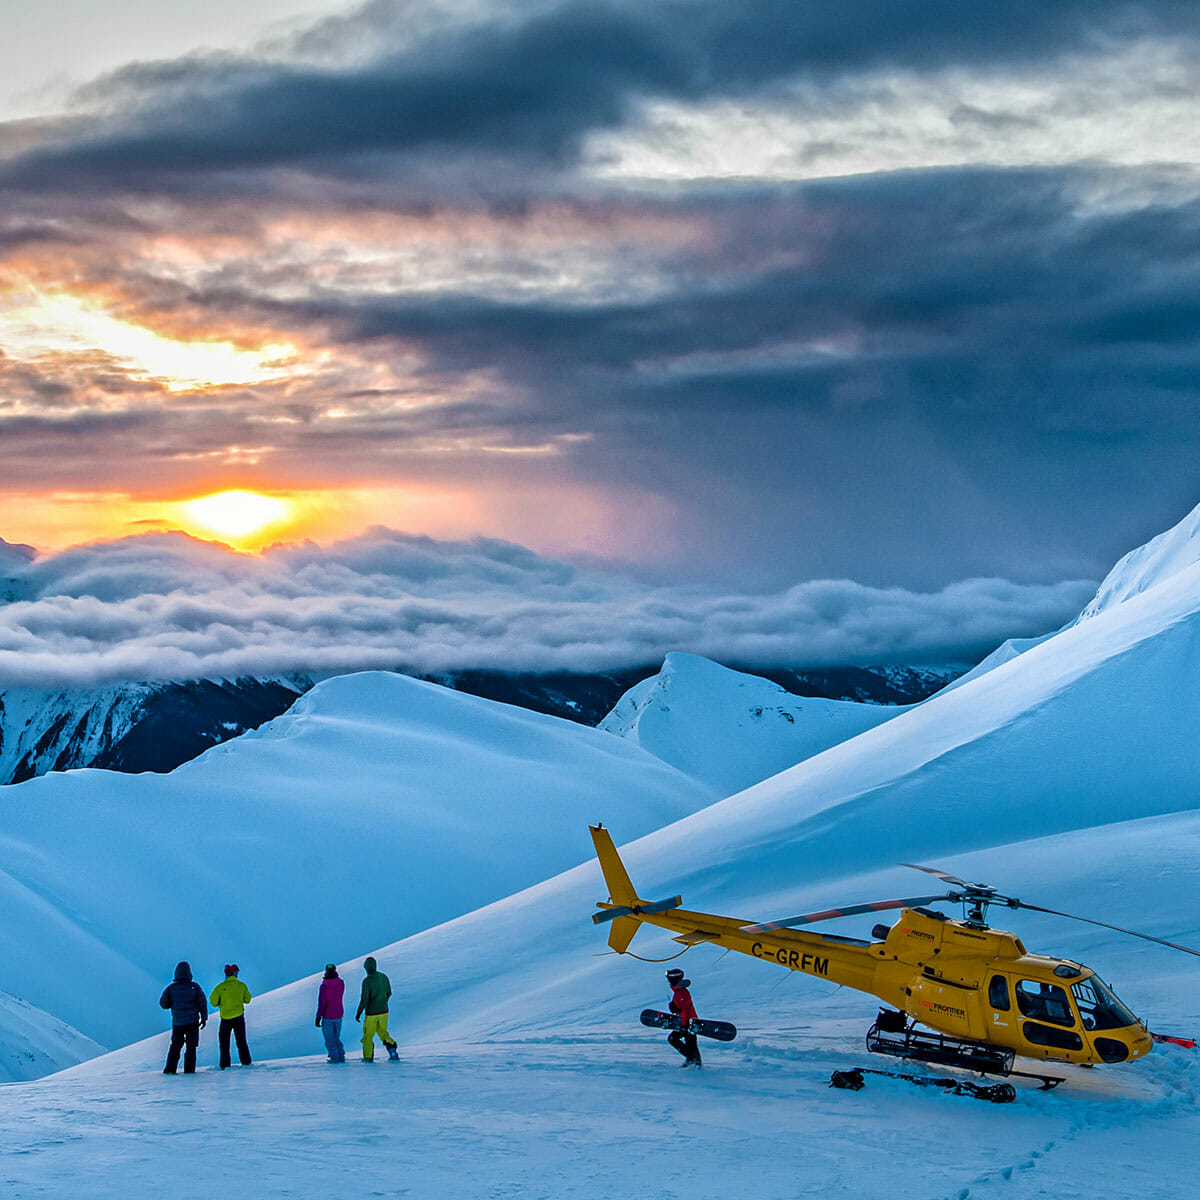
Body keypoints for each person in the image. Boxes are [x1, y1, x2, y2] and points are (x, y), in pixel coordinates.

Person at [159, 960, 207, 1075]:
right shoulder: (195, 987)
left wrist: (174, 1004)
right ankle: (189, 1071)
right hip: (192, 1022)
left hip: (178, 1022)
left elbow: (163, 1004)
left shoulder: (171, 988)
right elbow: (202, 1003)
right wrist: (204, 1018)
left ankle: (170, 1070)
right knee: (191, 1047)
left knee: (175, 1046)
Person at [355, 956, 399, 1062]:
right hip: (384, 1011)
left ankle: (368, 1057)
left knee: (368, 1036)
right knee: (383, 1032)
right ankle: (392, 1050)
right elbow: (389, 992)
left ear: (366, 967)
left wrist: (359, 1012)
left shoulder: (367, 981)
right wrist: (383, 1002)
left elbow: (364, 999)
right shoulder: (384, 977)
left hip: (371, 1013)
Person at [209, 964, 253, 1069]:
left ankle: (225, 1065)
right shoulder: (241, 985)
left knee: (224, 1043)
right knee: (241, 1041)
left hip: (225, 1018)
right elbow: (247, 999)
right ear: (235, 974)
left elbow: (213, 1002)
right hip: (239, 1017)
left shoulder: (220, 987)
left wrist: (221, 1002)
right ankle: (246, 1062)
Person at [665, 967, 701, 1068]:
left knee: (673, 1039)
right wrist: (675, 1009)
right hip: (690, 1021)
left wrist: (684, 1025)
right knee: (691, 1043)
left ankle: (691, 1058)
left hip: (687, 1022)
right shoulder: (679, 991)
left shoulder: (681, 992)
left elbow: (685, 1010)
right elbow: (682, 1008)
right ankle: (696, 1063)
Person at [315, 963, 346, 1063]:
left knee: (330, 1039)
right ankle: (341, 1056)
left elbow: (322, 1002)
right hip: (339, 1013)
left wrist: (318, 1017)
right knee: (336, 1037)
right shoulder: (340, 983)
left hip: (328, 1015)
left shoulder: (324, 986)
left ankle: (334, 1058)